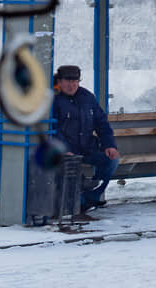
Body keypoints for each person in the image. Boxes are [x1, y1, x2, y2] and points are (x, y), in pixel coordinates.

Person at [51, 65, 120, 212]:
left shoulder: (87, 97)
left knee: (111, 160)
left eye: (75, 81)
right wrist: (64, 150)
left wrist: (109, 145)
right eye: (68, 81)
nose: (71, 85)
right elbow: (52, 129)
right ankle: (77, 202)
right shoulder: (52, 99)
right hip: (64, 152)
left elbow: (101, 123)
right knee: (67, 164)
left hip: (88, 149)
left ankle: (90, 198)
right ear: (60, 82)